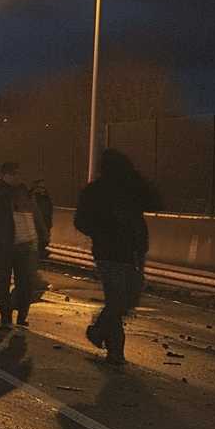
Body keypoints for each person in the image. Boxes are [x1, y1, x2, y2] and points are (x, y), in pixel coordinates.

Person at [75, 149, 159, 366]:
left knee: (126, 301)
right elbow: (81, 220)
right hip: (110, 254)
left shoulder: (131, 189)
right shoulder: (96, 192)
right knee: (118, 300)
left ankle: (100, 331)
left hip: (132, 252)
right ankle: (114, 350)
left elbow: (155, 201)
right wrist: (103, 233)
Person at [0, 162, 47, 329]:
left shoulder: (25, 193)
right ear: (5, 175)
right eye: (14, 174)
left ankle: (22, 316)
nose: (18, 177)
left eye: (19, 173)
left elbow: (35, 214)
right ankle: (6, 316)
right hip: (4, 246)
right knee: (1, 282)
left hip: (26, 244)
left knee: (26, 283)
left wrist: (43, 234)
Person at [31, 179, 54, 260]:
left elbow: (49, 209)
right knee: (39, 238)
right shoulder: (33, 197)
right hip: (38, 222)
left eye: (43, 187)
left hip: (45, 221)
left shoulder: (45, 197)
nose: (42, 189)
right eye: (40, 187)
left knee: (44, 238)